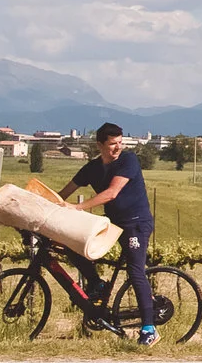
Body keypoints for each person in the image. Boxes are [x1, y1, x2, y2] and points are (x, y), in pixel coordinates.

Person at [65, 122, 157, 344]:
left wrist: (77, 207)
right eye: (113, 144)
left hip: (136, 224)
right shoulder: (92, 168)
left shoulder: (128, 160)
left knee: (135, 271)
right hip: (113, 224)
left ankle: (149, 328)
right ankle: (97, 284)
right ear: (100, 145)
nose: (118, 147)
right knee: (73, 243)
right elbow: (64, 192)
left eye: (120, 143)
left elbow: (111, 193)